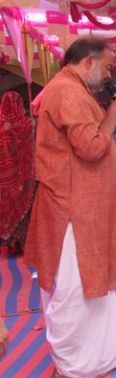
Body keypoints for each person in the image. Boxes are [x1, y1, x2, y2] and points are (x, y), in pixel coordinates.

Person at [24, 37, 116, 378]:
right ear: (88, 63)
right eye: (106, 68)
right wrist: (113, 116)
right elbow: (91, 147)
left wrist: (107, 116)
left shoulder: (75, 91)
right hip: (73, 209)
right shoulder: (66, 92)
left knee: (101, 290)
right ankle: (65, 370)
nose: (108, 75)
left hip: (91, 207)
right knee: (74, 292)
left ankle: (100, 357)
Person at [0, 91, 34, 256]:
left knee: (8, 209)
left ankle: (11, 242)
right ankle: (24, 243)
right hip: (25, 175)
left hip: (5, 179)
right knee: (25, 211)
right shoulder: (26, 124)